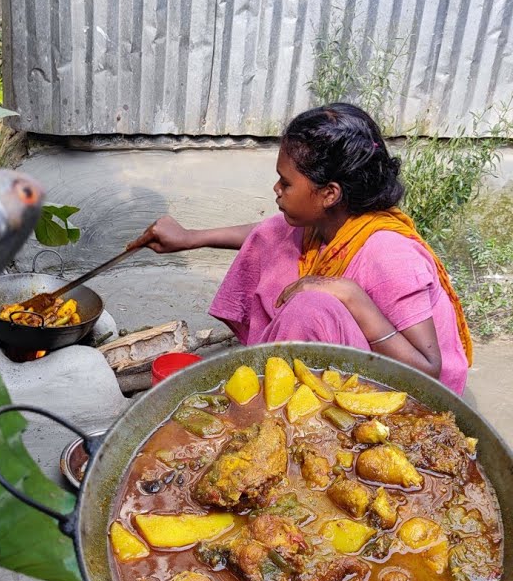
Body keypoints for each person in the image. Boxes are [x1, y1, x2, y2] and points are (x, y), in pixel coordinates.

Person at [131, 102, 472, 394]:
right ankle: (281, 364)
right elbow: (265, 233)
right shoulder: (324, 224)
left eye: (287, 182)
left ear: (329, 193)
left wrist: (350, 295)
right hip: (368, 360)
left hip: (413, 392)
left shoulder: (390, 255)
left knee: (312, 306)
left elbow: (428, 371)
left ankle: (283, 393)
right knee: (280, 242)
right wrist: (189, 237)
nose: (276, 189)